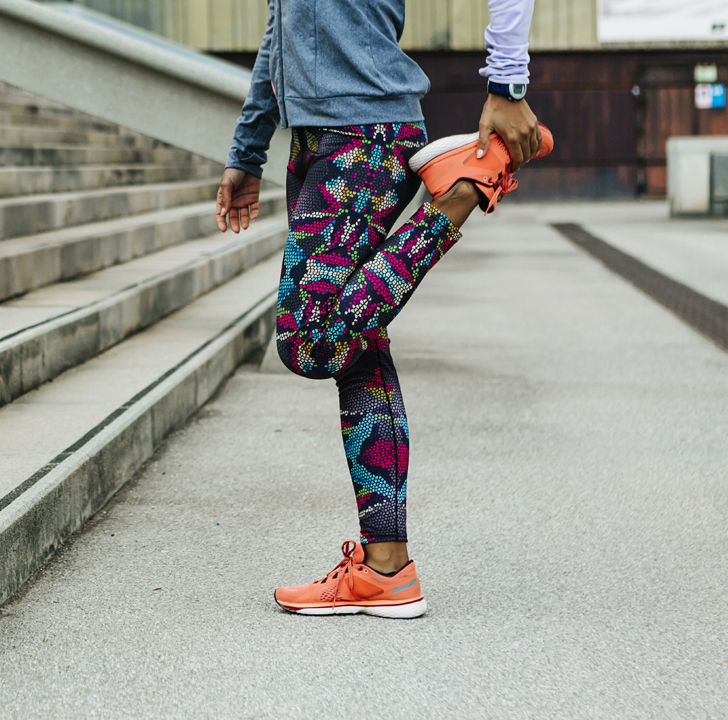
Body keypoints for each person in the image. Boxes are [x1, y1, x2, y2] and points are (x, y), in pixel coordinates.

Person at [216, 0, 553, 618]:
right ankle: (386, 570)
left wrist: (507, 83)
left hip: (361, 135)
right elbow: (280, 30)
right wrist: (248, 148)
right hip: (319, 141)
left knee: (310, 339)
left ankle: (457, 198)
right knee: (357, 349)